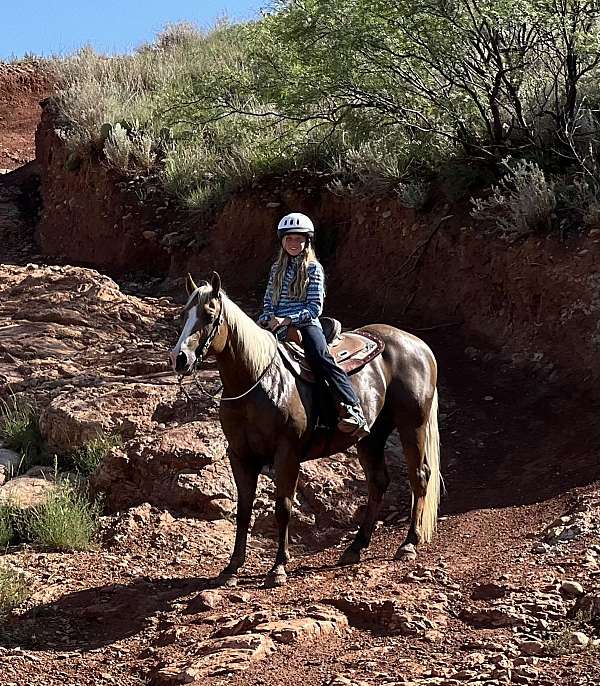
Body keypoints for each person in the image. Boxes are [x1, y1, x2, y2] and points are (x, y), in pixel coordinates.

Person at [259, 212, 369, 436]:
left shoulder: (313, 269)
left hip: (305, 324)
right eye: (289, 238)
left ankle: (353, 409)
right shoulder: (275, 269)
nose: (293, 243)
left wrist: (287, 319)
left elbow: (314, 308)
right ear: (282, 241)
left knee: (321, 358)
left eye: (299, 239)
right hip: (276, 324)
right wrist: (267, 318)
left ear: (307, 241)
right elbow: (268, 301)